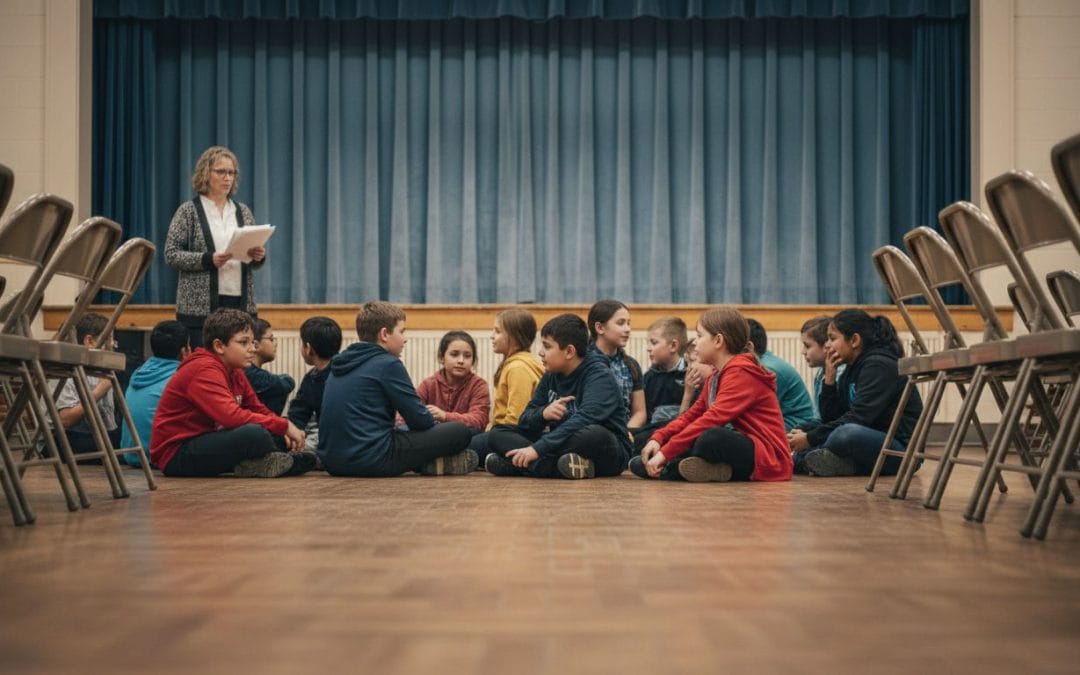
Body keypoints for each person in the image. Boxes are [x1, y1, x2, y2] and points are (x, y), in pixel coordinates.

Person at [631, 307, 792, 483]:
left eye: (700, 336)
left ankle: (678, 467)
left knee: (710, 438)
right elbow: (692, 415)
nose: (695, 343)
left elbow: (712, 419)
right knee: (649, 451)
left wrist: (665, 453)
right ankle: (702, 469)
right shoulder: (716, 374)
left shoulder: (741, 372)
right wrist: (659, 437)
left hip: (769, 459)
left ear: (718, 341)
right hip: (745, 450)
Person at [317, 301, 477, 477]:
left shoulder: (339, 363)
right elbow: (420, 421)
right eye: (402, 331)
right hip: (372, 460)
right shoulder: (388, 363)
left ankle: (431, 464)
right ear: (384, 334)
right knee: (459, 431)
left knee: (404, 432)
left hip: (332, 462)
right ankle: (430, 463)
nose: (405, 338)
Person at [150, 308, 311, 478]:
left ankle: (258, 464)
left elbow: (257, 408)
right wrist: (283, 426)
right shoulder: (203, 369)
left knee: (275, 433)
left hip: (207, 439)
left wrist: (282, 426)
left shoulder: (235, 370)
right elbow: (231, 417)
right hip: (176, 455)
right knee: (255, 434)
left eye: (252, 343)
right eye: (243, 343)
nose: (252, 349)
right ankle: (262, 463)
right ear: (219, 346)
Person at [485, 314, 631, 480]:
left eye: (547, 347)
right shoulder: (551, 373)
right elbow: (524, 419)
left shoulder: (600, 376)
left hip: (606, 450)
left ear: (569, 351)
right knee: (498, 433)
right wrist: (543, 414)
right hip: (561, 446)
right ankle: (559, 467)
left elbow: (584, 419)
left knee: (594, 434)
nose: (540, 353)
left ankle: (516, 465)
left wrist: (536, 449)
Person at [787, 309, 924, 477]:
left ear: (854, 340)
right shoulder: (851, 369)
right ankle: (830, 463)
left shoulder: (878, 366)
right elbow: (832, 417)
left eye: (832, 338)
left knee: (845, 433)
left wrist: (810, 439)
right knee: (805, 428)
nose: (827, 345)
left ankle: (808, 459)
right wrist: (829, 379)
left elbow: (858, 419)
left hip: (901, 453)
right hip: (871, 443)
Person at [164, 146, 267, 349]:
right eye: (221, 172)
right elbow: (171, 254)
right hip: (200, 310)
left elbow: (254, 258)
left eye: (231, 173)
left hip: (239, 303)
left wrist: (258, 255)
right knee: (205, 367)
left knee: (237, 369)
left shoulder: (242, 211)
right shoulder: (188, 211)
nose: (227, 178)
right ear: (205, 173)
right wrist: (207, 259)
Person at [468, 307, 543, 465]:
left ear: (514, 336)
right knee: (468, 435)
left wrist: (494, 434)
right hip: (504, 431)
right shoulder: (516, 363)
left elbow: (516, 419)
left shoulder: (518, 368)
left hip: (512, 435)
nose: (491, 336)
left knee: (462, 447)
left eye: (497, 331)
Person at [120, 320, 190, 467]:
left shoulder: (139, 372)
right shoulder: (182, 377)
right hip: (159, 457)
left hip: (131, 455)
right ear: (185, 351)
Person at [53, 313, 120, 457]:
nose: (113, 345)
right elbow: (66, 419)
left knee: (127, 438)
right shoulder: (66, 370)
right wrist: (100, 390)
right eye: (109, 339)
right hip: (62, 438)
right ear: (90, 341)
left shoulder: (99, 369)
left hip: (92, 435)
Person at [586, 299, 647, 431]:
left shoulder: (631, 365)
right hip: (590, 431)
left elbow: (640, 413)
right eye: (621, 323)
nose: (628, 329)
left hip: (624, 432)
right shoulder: (581, 362)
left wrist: (625, 432)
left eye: (628, 323)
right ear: (600, 328)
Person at [746, 318, 816, 431]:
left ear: (748, 346)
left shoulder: (768, 369)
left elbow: (748, 410)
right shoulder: (761, 361)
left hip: (796, 425)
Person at [416, 331, 490, 434]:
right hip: (433, 437)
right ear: (441, 357)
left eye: (467, 356)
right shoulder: (428, 385)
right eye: (454, 354)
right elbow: (406, 415)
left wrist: (445, 416)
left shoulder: (479, 385)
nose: (461, 360)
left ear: (473, 361)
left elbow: (479, 420)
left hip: (466, 438)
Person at [287, 316, 342, 453]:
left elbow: (298, 414)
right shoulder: (312, 377)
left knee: (304, 446)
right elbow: (299, 412)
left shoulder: (315, 378)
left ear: (308, 348)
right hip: (332, 435)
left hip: (335, 438)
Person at [244, 318, 295, 416]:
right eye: (271, 339)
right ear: (256, 345)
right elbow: (287, 383)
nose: (275, 344)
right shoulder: (250, 373)